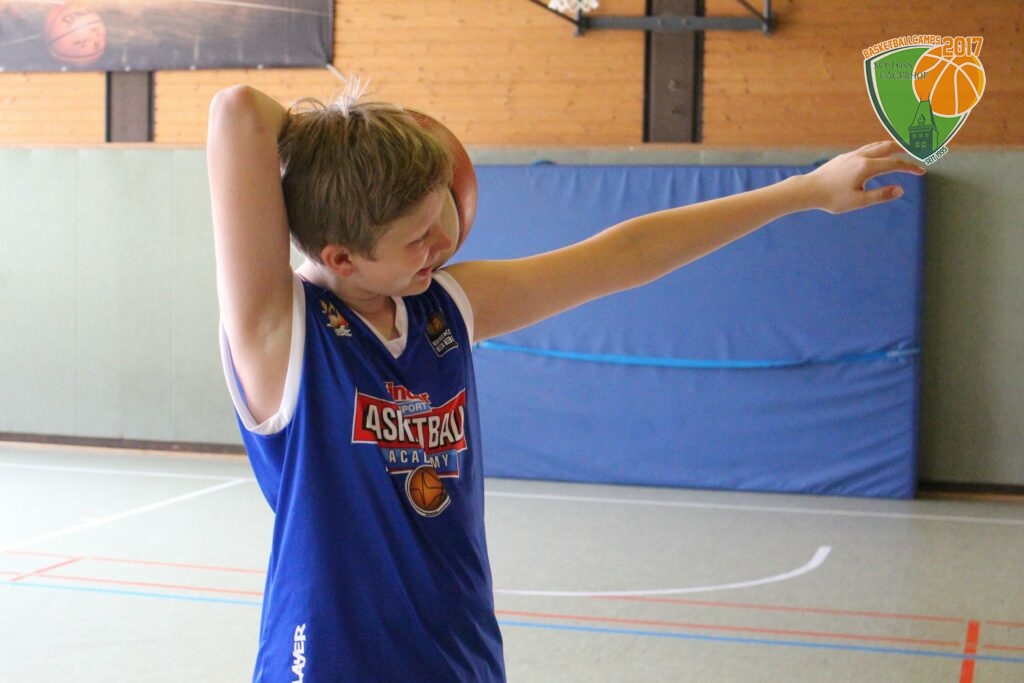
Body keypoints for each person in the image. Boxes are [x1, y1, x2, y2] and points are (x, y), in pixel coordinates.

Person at [206, 82, 924, 682]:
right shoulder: (281, 335)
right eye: (417, 238)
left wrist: (804, 190)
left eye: (441, 218)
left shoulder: (444, 307)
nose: (444, 243)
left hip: (460, 656)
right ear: (342, 257)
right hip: (331, 664)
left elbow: (626, 254)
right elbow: (237, 110)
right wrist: (330, 142)